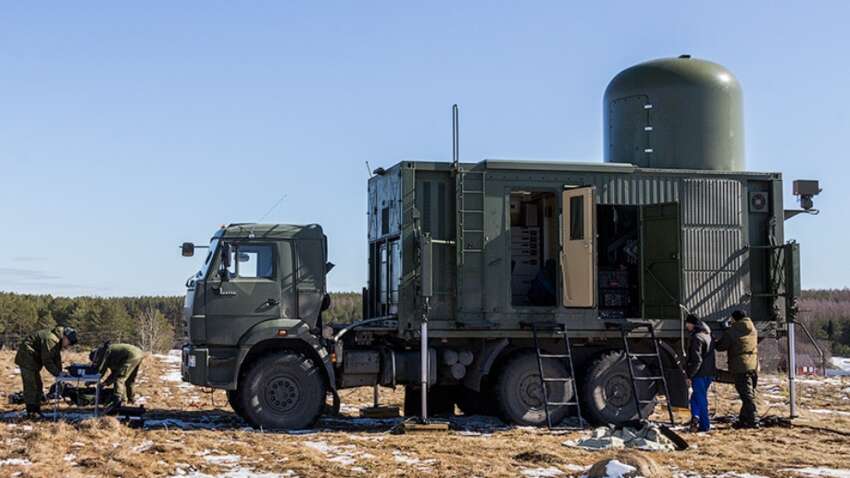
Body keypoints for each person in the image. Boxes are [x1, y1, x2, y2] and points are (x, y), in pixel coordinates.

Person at [14, 326, 78, 419]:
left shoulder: (57, 340)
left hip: (32, 360)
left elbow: (56, 358)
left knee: (38, 385)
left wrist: (61, 373)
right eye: (69, 342)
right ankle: (31, 412)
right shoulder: (51, 339)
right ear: (65, 337)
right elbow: (47, 360)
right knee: (32, 386)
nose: (68, 346)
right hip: (26, 359)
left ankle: (36, 410)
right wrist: (58, 374)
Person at [716, 309, 759, 429]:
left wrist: (724, 332)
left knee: (746, 397)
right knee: (749, 394)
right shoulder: (752, 329)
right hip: (754, 365)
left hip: (741, 366)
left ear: (734, 319)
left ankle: (753, 420)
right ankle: (743, 420)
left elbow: (721, 346)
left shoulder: (733, 331)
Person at [89, 342, 145, 409]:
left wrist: (92, 380)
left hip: (130, 355)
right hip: (138, 353)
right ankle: (131, 400)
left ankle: (118, 401)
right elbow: (114, 373)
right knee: (129, 380)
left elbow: (101, 370)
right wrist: (105, 383)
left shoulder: (102, 352)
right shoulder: (111, 355)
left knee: (120, 378)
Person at [685, 314, 716, 432]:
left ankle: (704, 425)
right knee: (695, 398)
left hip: (699, 374)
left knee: (700, 399)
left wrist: (690, 375)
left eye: (687, 323)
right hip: (708, 372)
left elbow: (697, 360)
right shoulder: (708, 336)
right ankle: (695, 417)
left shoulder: (696, 338)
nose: (686, 325)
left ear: (692, 324)